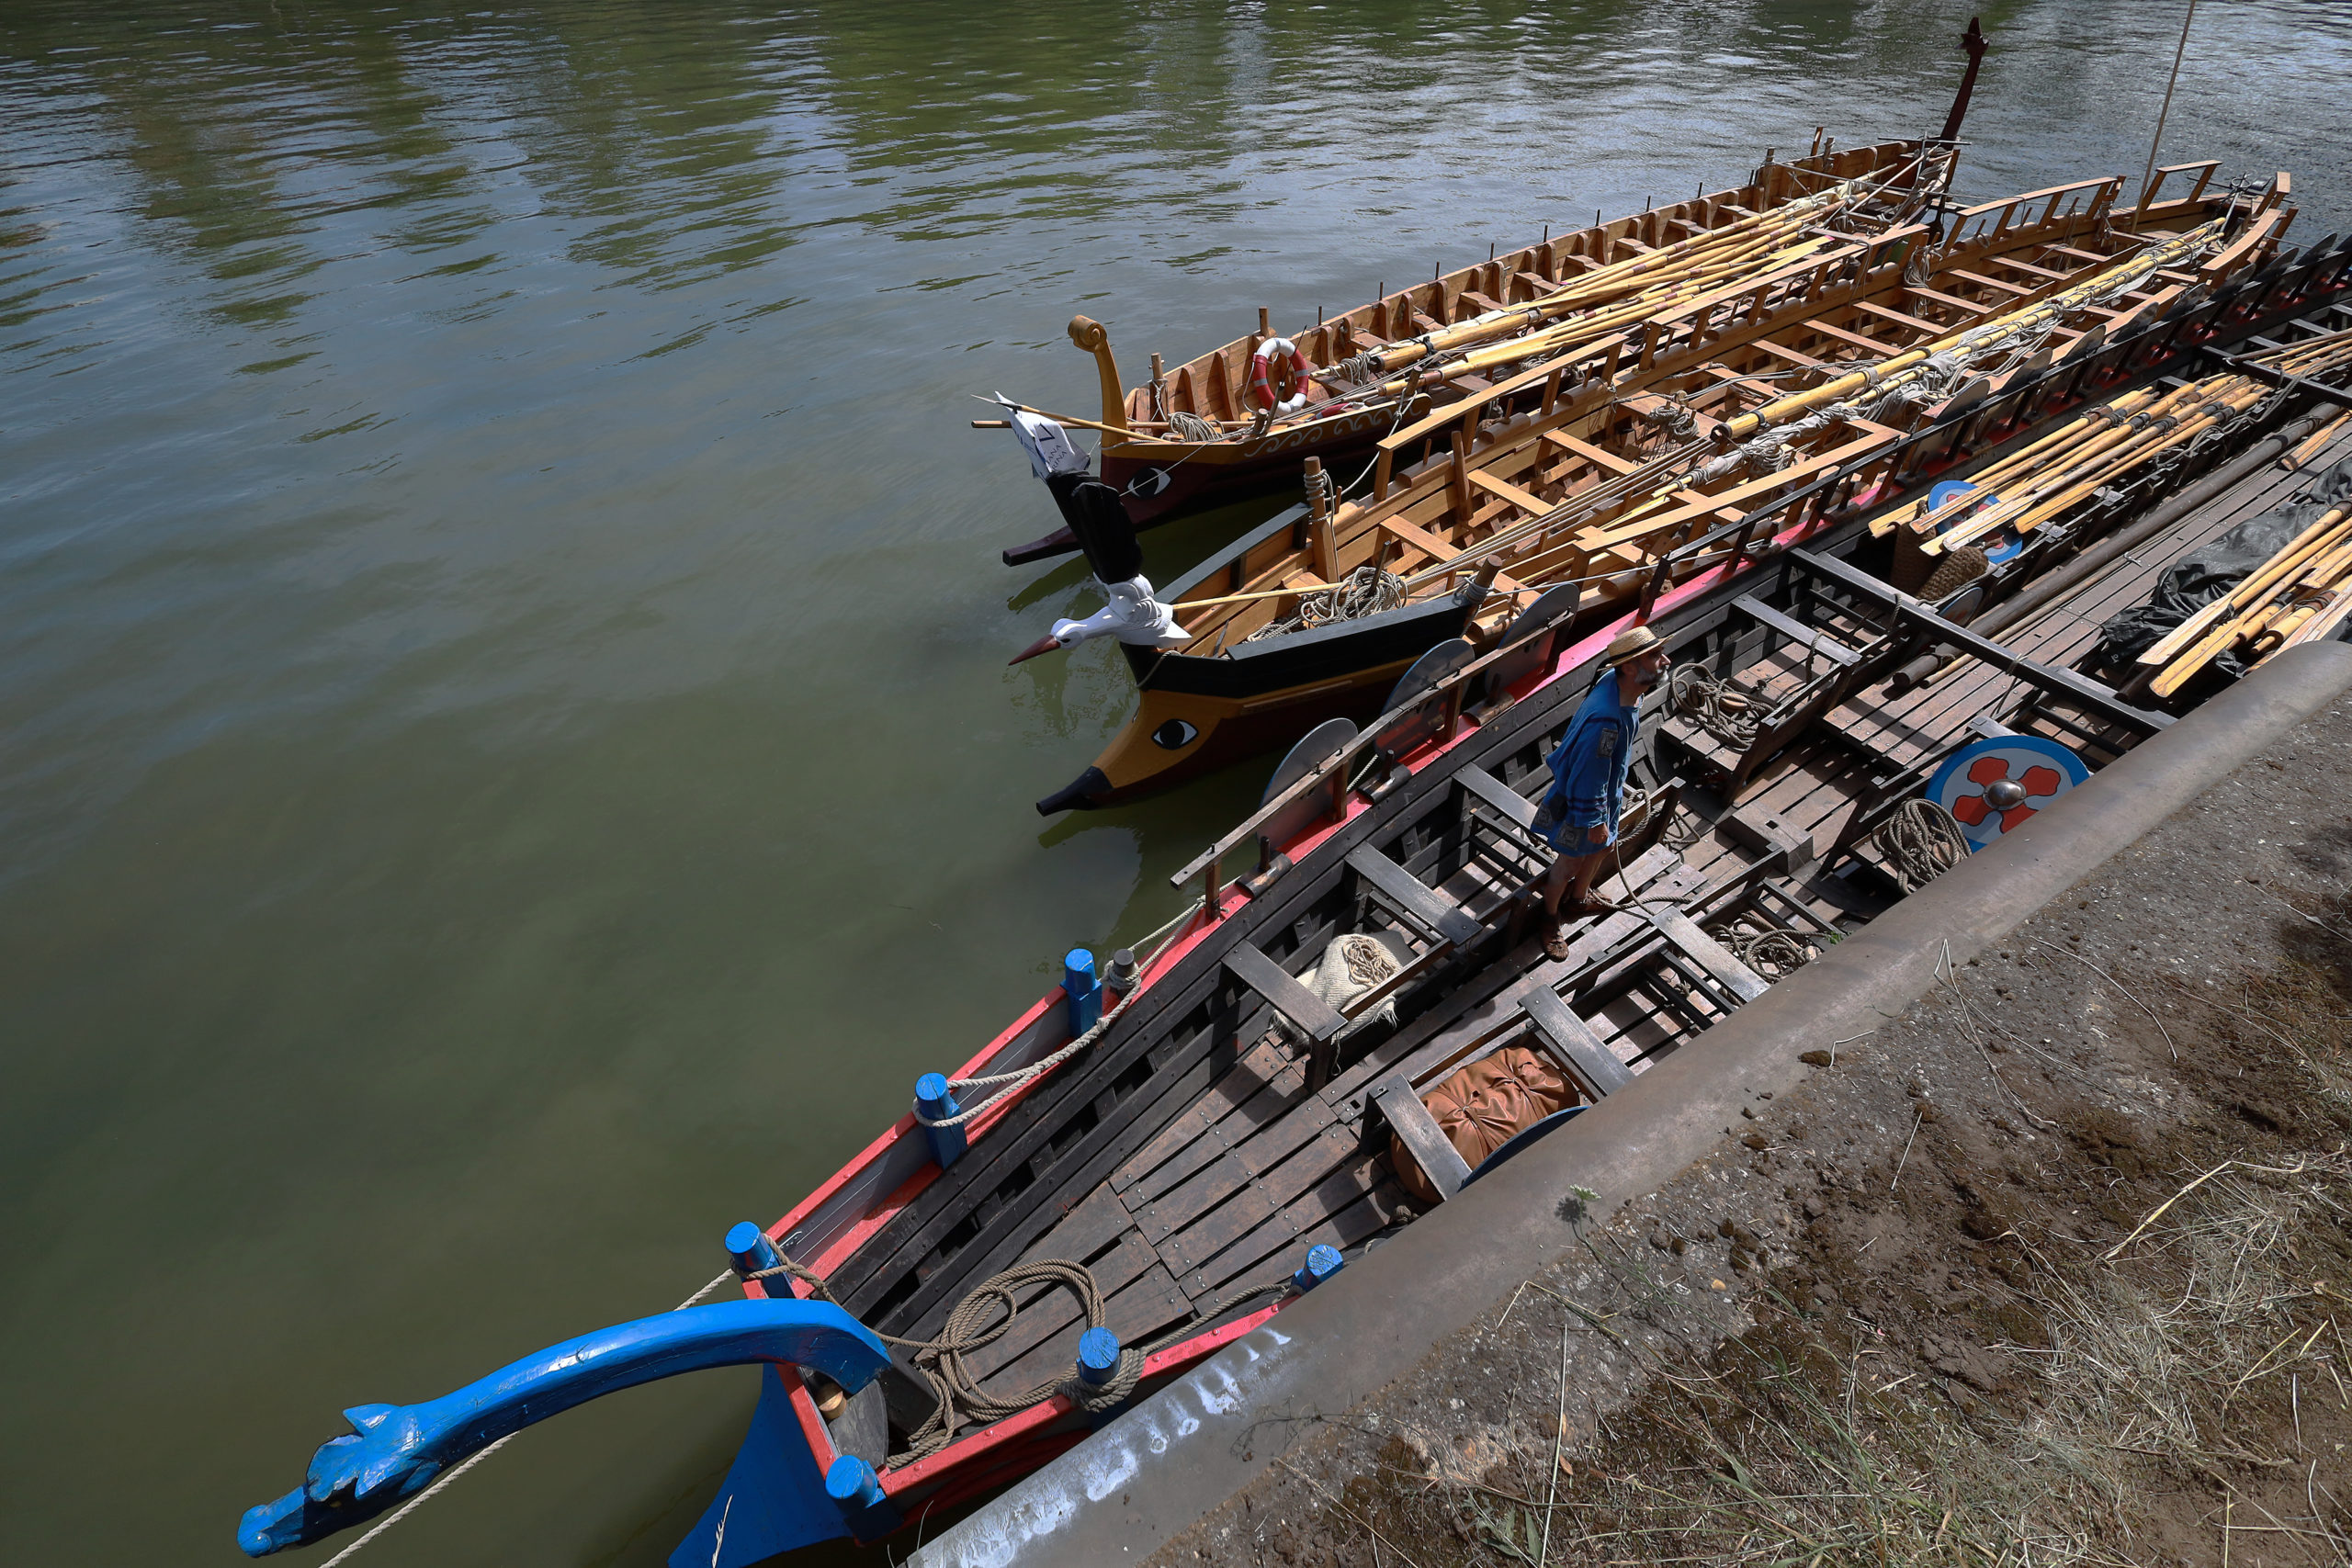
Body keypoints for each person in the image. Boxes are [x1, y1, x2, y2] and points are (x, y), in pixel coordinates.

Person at [1532, 626, 1672, 959]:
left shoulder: (1620, 686)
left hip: (1607, 795)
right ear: (1627, 667)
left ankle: (1578, 899)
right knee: (1567, 864)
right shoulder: (1605, 724)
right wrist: (1594, 821)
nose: (1665, 660)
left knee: (1603, 849)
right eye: (1653, 656)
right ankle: (1549, 917)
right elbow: (1588, 778)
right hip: (1586, 805)